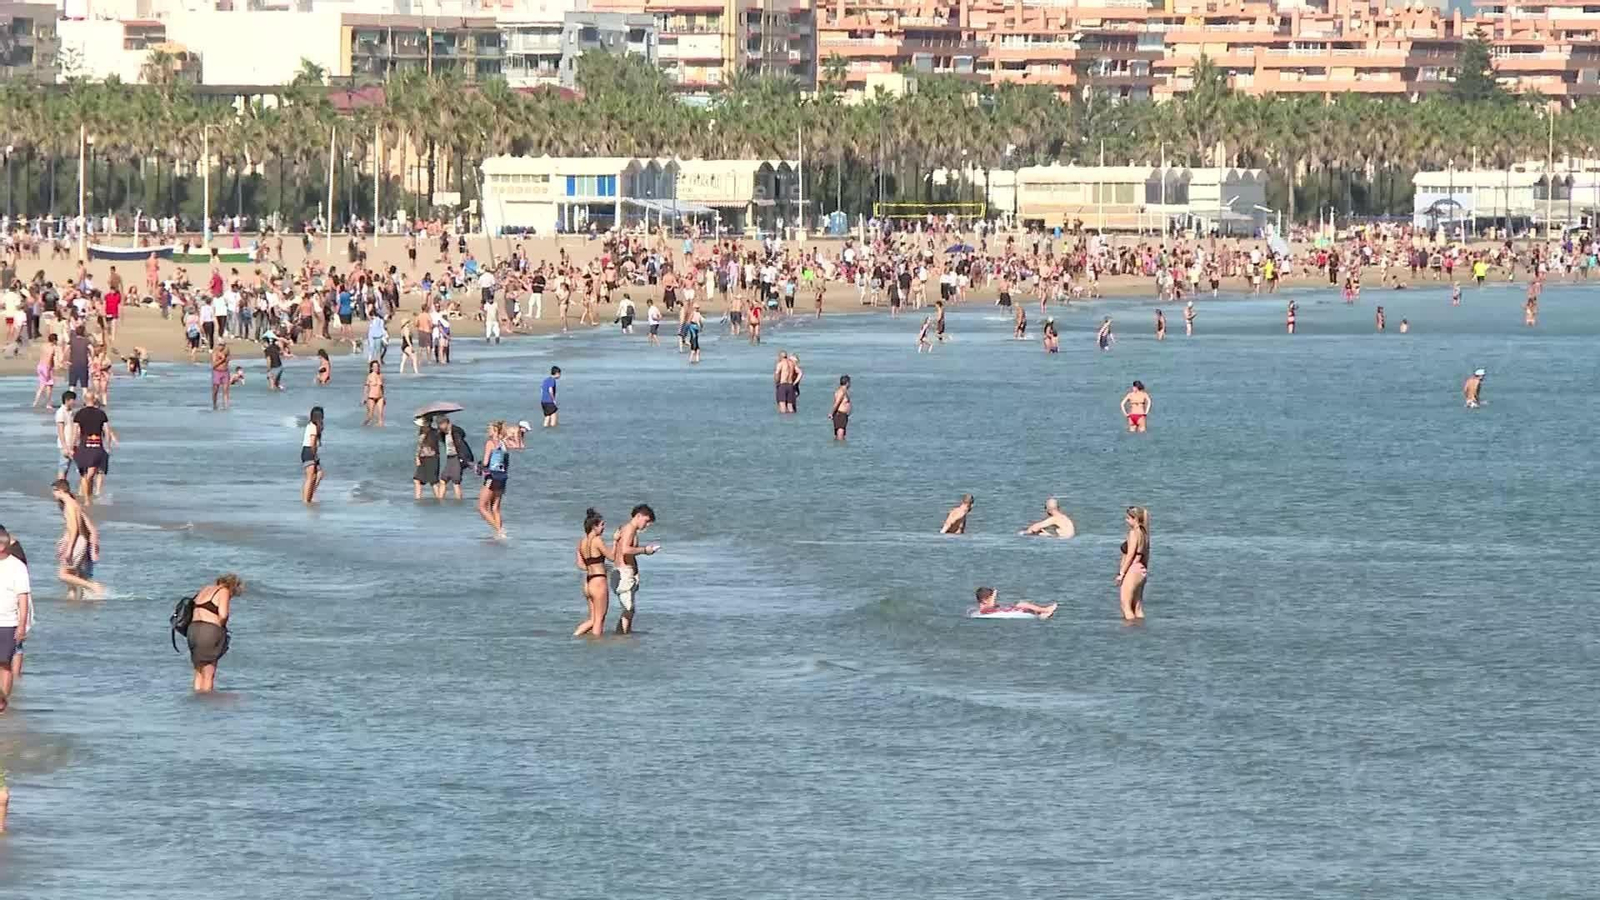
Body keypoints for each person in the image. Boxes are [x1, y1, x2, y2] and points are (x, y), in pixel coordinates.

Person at [185, 574, 241, 692]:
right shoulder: (224, 591)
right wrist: (222, 627)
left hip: (193, 630)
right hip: (209, 631)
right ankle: (207, 701)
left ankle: (197, 699)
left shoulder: (205, 589)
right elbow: (223, 615)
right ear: (233, 586)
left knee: (199, 671)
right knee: (209, 673)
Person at [610, 504, 659, 635]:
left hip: (624, 572)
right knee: (628, 609)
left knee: (629, 609)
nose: (647, 525)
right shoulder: (630, 529)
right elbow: (625, 550)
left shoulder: (627, 529)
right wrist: (645, 550)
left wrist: (635, 572)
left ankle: (625, 635)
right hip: (624, 572)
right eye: (646, 521)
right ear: (638, 516)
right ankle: (622, 637)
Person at [52, 479, 103, 601]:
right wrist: (93, 544)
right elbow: (90, 527)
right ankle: (74, 603)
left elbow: (74, 529)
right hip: (81, 542)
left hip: (76, 543)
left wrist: (69, 549)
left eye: (54, 491)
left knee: (63, 574)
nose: (53, 494)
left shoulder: (69, 505)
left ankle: (93, 586)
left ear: (60, 490)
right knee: (73, 580)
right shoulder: (75, 503)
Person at [0, 526, 33, 712]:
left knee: (4, 664)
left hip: (8, 623)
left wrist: (21, 625)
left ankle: (2, 704)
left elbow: (23, 598)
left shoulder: (17, 567)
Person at [573, 508, 612, 637]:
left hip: (588, 582)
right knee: (599, 620)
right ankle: (596, 644)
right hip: (599, 582)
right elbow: (612, 557)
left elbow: (580, 565)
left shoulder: (581, 542)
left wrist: (593, 567)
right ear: (594, 526)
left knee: (593, 619)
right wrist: (616, 541)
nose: (604, 528)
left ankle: (574, 637)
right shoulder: (597, 540)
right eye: (602, 525)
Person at [70, 391, 116, 502]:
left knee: (85, 474)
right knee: (91, 474)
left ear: (84, 400)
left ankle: (86, 498)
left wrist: (72, 446)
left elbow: (75, 432)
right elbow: (107, 431)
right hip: (97, 445)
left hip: (84, 446)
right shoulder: (101, 413)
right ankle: (88, 498)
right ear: (94, 400)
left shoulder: (79, 414)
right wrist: (108, 447)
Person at [1116, 507, 1150, 622]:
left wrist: (1121, 573)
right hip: (1141, 570)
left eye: (1128, 518)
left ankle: (1129, 631)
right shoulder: (1144, 534)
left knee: (1126, 605)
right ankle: (1141, 630)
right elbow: (1146, 553)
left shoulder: (1133, 533)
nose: (1126, 521)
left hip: (1132, 570)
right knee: (1137, 608)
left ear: (1135, 519)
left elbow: (1130, 554)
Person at [477, 421, 509, 539]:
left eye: (489, 429)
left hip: (492, 476)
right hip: (502, 476)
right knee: (495, 508)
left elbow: (486, 462)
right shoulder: (503, 443)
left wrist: (479, 466)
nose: (488, 431)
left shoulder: (490, 443)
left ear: (495, 430)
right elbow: (505, 462)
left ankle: (499, 530)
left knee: (481, 507)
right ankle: (499, 534)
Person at [437, 416, 475, 501]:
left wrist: (464, 459)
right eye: (439, 425)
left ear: (446, 423)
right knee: (443, 479)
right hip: (449, 458)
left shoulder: (455, 431)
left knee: (456, 481)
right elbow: (440, 438)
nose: (440, 427)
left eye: (441, 424)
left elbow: (462, 433)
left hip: (458, 457)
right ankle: (440, 500)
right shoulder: (443, 433)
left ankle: (458, 501)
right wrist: (441, 431)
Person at [971, 586, 1056, 619]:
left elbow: (994, 606)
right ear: (984, 600)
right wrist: (994, 595)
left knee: (1022, 606)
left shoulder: (986, 608)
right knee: (1022, 604)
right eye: (991, 598)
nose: (994, 599)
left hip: (1007, 610)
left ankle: (1041, 614)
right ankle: (1045, 610)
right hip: (1009, 611)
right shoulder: (985, 609)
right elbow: (991, 606)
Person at [412, 419, 441, 500]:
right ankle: (418, 499)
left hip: (432, 459)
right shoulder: (421, 433)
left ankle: (439, 498)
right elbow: (419, 447)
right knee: (417, 479)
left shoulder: (435, 432)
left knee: (433, 482)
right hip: (422, 458)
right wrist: (417, 457)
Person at [301, 406, 325, 504]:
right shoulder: (312, 426)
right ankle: (306, 500)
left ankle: (310, 495)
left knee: (318, 474)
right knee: (310, 477)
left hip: (311, 451)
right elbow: (312, 442)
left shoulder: (315, 425)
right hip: (309, 451)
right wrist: (314, 455)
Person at [53, 390, 78, 478]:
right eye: (73, 400)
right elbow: (60, 431)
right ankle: (60, 484)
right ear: (67, 400)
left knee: (67, 468)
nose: (74, 402)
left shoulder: (71, 412)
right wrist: (65, 447)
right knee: (63, 467)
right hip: (65, 444)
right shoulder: (61, 412)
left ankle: (64, 484)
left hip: (72, 443)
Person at [30, 332, 58, 409]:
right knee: (49, 386)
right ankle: (48, 404)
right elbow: (49, 359)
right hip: (47, 367)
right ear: (54, 340)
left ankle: (35, 402)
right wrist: (48, 370)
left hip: (40, 366)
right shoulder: (52, 348)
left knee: (42, 385)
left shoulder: (43, 346)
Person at [362, 361, 385, 427]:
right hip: (371, 398)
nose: (376, 368)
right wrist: (364, 398)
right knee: (370, 416)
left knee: (380, 416)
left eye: (377, 366)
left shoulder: (381, 376)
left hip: (380, 397)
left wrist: (384, 397)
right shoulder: (370, 376)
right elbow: (366, 387)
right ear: (371, 368)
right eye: (374, 366)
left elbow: (382, 387)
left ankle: (380, 430)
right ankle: (363, 426)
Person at [210, 341, 231, 410]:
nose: (221, 347)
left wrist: (226, 358)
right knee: (215, 390)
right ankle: (214, 405)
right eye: (220, 345)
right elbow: (213, 365)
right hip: (217, 372)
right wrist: (222, 359)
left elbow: (228, 361)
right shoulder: (215, 353)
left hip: (225, 372)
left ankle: (226, 407)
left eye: (222, 345)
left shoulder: (227, 351)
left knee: (225, 391)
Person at [831, 375, 852, 441]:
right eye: (850, 383)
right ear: (847, 383)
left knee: (841, 437)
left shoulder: (844, 391)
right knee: (840, 437)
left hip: (843, 416)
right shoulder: (841, 391)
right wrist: (831, 413)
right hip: (840, 415)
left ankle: (838, 446)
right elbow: (837, 403)